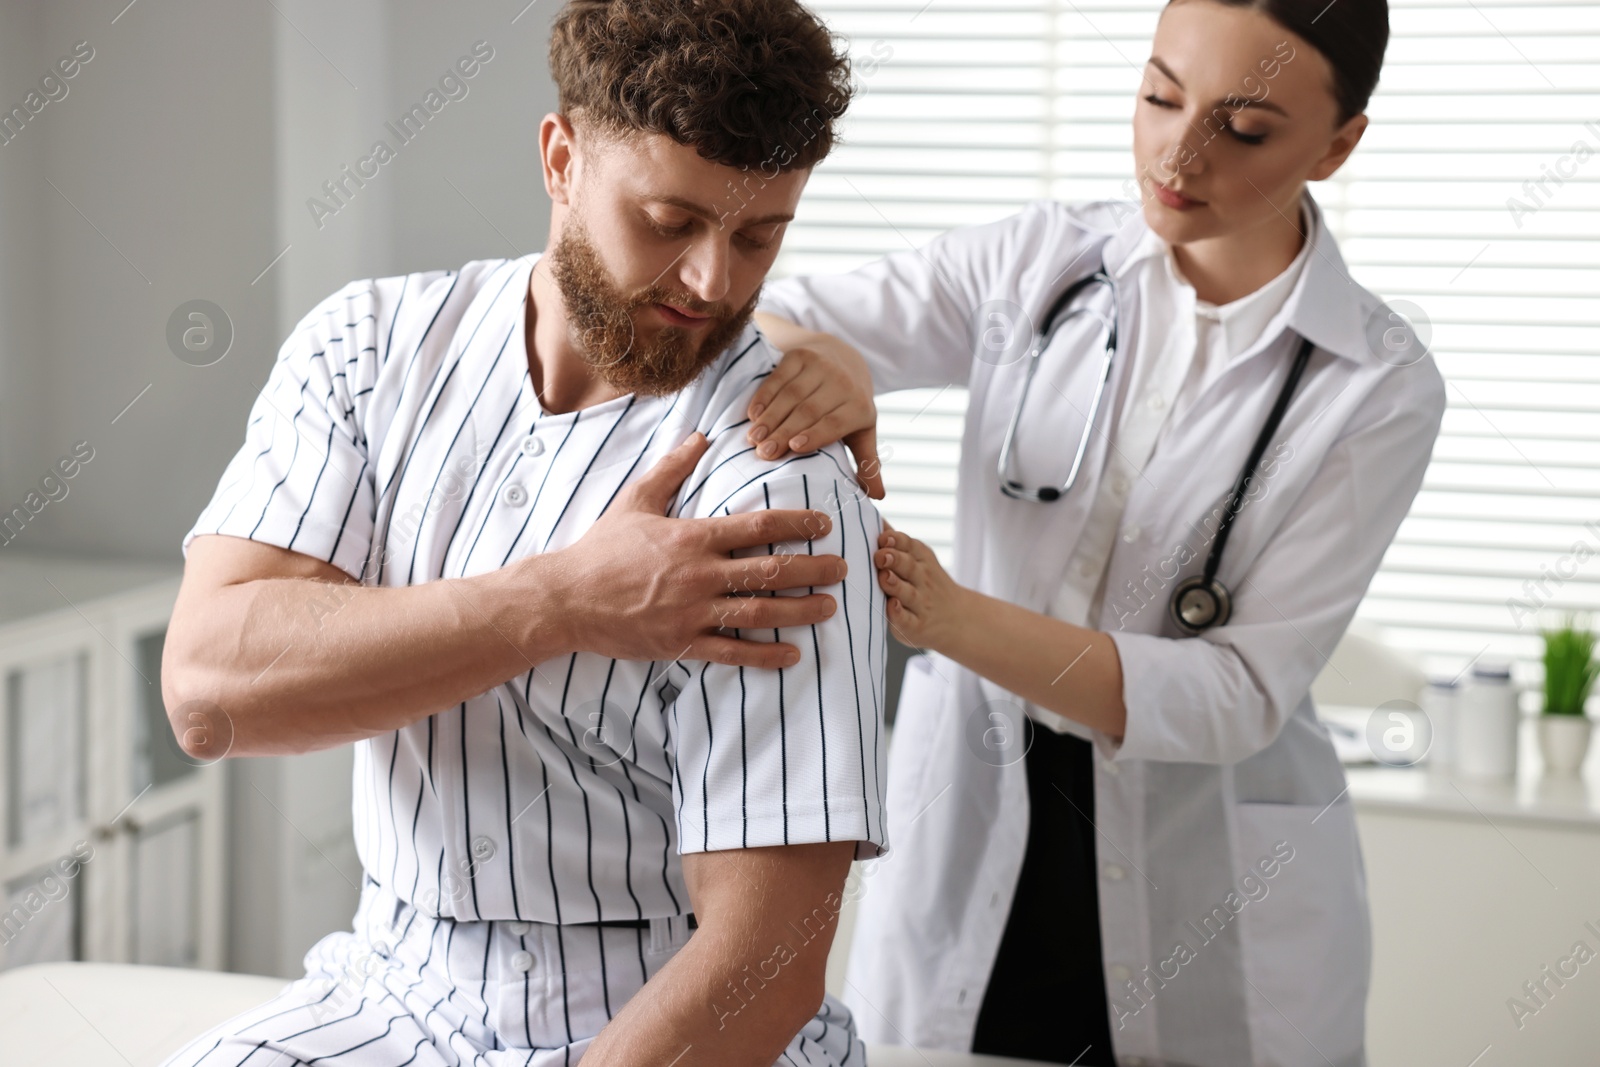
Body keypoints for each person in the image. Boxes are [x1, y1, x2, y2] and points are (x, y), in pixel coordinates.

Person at [159, 2, 889, 1065]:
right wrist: (561, 600)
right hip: (390, 987)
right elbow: (207, 694)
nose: (713, 283)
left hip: (663, 1024)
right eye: (671, 220)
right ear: (561, 158)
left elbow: (764, 965)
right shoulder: (368, 352)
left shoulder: (775, 481)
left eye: (758, 236)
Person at [748, 1, 1444, 1064]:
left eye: (1245, 127)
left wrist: (950, 616)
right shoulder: (1038, 263)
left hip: (1205, 870)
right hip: (976, 817)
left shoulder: (1375, 383)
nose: (1179, 149)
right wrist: (825, 360)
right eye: (1160, 94)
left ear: (1338, 143)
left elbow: (1236, 692)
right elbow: (752, 314)